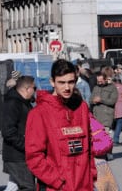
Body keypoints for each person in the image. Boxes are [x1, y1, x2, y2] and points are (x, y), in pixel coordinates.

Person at [25, 59, 96, 191]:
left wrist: (91, 175)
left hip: (84, 186)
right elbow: (34, 157)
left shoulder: (82, 108)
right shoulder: (39, 114)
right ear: (52, 82)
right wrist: (58, 182)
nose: (67, 87)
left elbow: (89, 147)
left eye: (71, 82)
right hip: (56, 187)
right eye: (61, 83)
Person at [1, 75, 36, 191]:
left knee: (14, 185)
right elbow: (8, 131)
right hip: (16, 156)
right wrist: (26, 145)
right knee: (28, 186)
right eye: (34, 88)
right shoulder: (13, 103)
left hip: (21, 154)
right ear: (27, 89)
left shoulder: (24, 102)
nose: (35, 91)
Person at [90, 68, 117, 138]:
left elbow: (113, 101)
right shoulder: (96, 88)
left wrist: (101, 100)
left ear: (105, 79)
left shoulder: (112, 88)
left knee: (104, 141)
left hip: (106, 119)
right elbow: (90, 100)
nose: (99, 83)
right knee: (96, 141)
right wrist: (93, 101)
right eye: (98, 81)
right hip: (96, 118)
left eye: (101, 81)